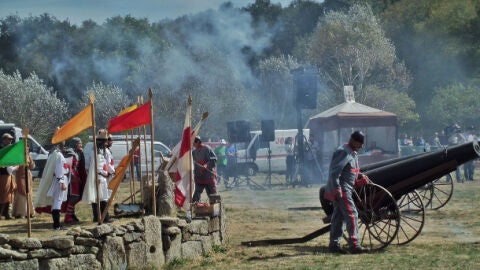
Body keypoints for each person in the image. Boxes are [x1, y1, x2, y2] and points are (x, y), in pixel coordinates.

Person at [324, 130, 369, 254]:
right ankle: (355, 245)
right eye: (360, 143)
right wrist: (337, 189)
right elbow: (334, 173)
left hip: (346, 188)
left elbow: (349, 171)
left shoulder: (352, 152)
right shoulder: (343, 151)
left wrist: (360, 177)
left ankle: (334, 245)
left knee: (338, 217)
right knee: (352, 214)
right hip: (342, 189)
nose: (361, 146)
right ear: (353, 141)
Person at [46, 144, 70, 230]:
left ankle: (56, 224)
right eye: (63, 146)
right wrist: (62, 182)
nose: (64, 147)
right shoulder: (58, 155)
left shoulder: (52, 154)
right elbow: (59, 170)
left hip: (57, 179)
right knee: (58, 201)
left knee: (56, 201)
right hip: (60, 180)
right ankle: (57, 225)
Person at [63, 137, 87, 223]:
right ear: (75, 144)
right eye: (79, 143)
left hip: (76, 175)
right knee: (74, 196)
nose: (81, 145)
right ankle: (68, 216)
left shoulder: (78, 152)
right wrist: (73, 177)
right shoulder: (70, 152)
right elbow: (68, 166)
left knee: (78, 196)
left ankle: (71, 214)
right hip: (71, 177)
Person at [192, 136, 217, 203]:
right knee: (196, 194)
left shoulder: (207, 148)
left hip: (208, 176)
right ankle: (196, 209)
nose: (193, 145)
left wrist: (206, 165)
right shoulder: (194, 152)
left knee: (212, 195)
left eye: (193, 143)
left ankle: (215, 211)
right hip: (199, 177)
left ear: (198, 142)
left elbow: (214, 159)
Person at [12, 148, 35, 219]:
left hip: (27, 175)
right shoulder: (18, 156)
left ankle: (30, 212)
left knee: (28, 192)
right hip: (20, 175)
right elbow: (15, 166)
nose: (27, 150)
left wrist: (30, 161)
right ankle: (20, 212)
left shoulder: (28, 156)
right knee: (21, 192)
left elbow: (32, 166)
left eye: (28, 149)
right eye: (25, 149)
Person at [0, 133, 17, 219]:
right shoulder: (1, 150)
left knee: (10, 194)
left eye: (11, 139)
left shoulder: (10, 150)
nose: (10, 141)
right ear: (4, 140)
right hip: (2, 175)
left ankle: (6, 213)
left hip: (9, 174)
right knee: (3, 194)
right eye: (8, 139)